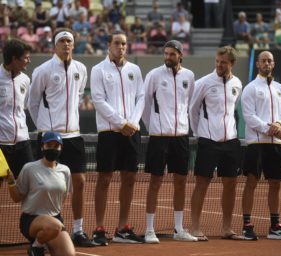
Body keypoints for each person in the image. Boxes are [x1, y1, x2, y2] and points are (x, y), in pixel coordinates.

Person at [28, 28, 95, 247]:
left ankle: (78, 230)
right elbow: (33, 102)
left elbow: (76, 97)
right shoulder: (43, 70)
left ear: (73, 45)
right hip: (50, 137)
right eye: (62, 41)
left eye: (69, 41)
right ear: (55, 45)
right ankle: (47, 228)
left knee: (80, 182)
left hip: (74, 135)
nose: (66, 44)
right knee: (48, 185)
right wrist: (44, 129)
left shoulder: (81, 69)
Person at [90, 30, 145, 245]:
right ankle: (99, 228)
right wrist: (121, 123)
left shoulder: (135, 69)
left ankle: (122, 228)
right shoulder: (98, 70)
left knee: (129, 178)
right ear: (109, 45)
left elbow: (141, 97)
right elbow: (98, 100)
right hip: (109, 133)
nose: (121, 47)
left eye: (123, 44)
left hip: (132, 131)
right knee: (104, 179)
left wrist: (131, 123)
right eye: (117, 43)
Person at [142, 40, 197, 243]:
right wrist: (153, 127)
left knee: (181, 182)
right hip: (159, 137)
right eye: (165, 54)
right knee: (155, 182)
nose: (167, 57)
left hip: (181, 137)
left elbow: (190, 105)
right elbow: (145, 104)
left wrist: (185, 128)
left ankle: (179, 229)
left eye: (172, 54)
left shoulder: (189, 76)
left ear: (180, 56)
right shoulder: (154, 75)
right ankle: (149, 229)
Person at [189, 46, 243, 241]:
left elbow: (231, 110)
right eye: (218, 62)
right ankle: (195, 227)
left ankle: (227, 228)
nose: (220, 65)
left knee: (231, 184)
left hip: (231, 142)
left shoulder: (238, 83)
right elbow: (192, 110)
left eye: (224, 62)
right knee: (202, 183)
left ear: (232, 63)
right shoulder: (203, 83)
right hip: (208, 141)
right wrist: (199, 133)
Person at [241, 51, 281, 241]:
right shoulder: (250, 88)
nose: (266, 63)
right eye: (263, 60)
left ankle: (275, 226)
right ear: (258, 64)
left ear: (274, 63)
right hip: (256, 143)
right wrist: (271, 129)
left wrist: (280, 125)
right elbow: (249, 117)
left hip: (276, 144)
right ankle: (247, 225)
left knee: (276, 183)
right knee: (251, 182)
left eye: (269, 60)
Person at [5, 131, 75, 256]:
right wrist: (11, 182)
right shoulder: (29, 168)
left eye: (56, 146)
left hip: (55, 219)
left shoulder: (65, 171)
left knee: (68, 254)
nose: (52, 148)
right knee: (54, 226)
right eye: (49, 145)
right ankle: (36, 247)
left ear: (61, 148)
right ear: (42, 147)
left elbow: (62, 198)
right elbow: (17, 198)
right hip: (31, 220)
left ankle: (43, 241)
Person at [0, 39, 34, 179]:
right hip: (1, 144)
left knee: (30, 184)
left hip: (22, 142)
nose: (29, 61)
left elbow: (23, 107)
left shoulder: (25, 79)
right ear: (14, 59)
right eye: (25, 58)